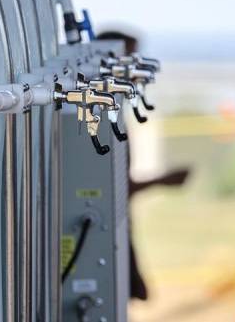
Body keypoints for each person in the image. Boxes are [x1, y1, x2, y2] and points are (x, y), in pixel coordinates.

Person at [96, 31, 191, 300]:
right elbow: (108, 189)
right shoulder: (96, 120)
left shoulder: (111, 114)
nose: (135, 69)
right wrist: (162, 181)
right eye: (128, 59)